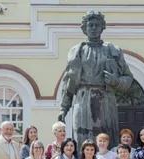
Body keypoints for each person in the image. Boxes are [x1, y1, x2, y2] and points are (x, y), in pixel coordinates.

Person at [57, 11, 134, 149]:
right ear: (84, 28)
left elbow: (128, 79)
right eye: (90, 25)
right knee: (82, 139)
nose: (93, 28)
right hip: (82, 98)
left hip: (105, 99)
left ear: (102, 28)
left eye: (96, 25)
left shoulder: (113, 51)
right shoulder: (76, 51)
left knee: (106, 139)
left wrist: (116, 81)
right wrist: (64, 108)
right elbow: (68, 82)